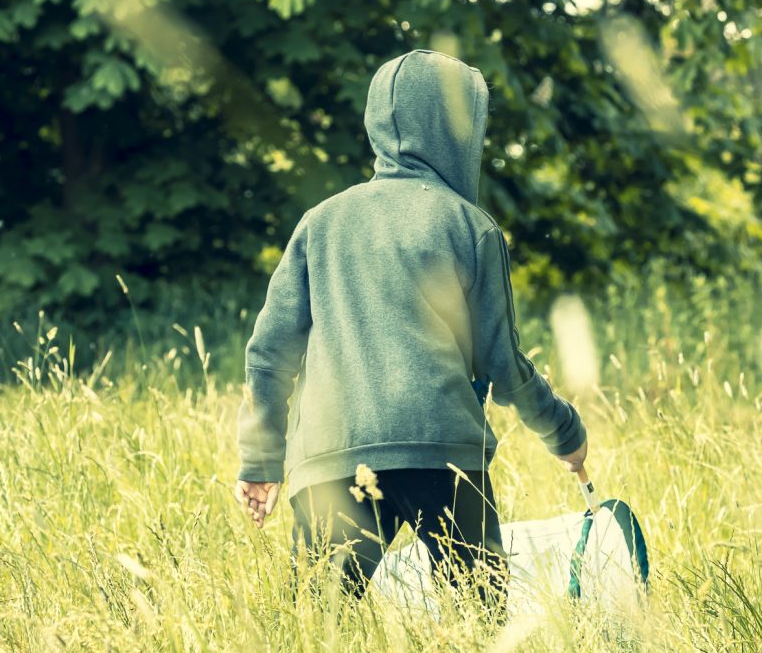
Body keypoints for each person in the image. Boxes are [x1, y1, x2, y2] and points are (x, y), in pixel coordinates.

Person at [234, 50, 588, 607]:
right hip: (442, 454)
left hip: (331, 456)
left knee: (316, 638)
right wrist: (565, 434)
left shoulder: (319, 223)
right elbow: (504, 364)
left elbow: (269, 354)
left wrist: (259, 461)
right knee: (480, 627)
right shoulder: (470, 226)